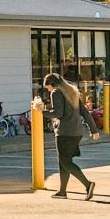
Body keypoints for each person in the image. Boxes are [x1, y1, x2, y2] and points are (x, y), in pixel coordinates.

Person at [40, 72, 94, 200]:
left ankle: (88, 184)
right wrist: (94, 129)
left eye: (47, 87)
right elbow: (84, 112)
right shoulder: (71, 91)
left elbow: (58, 113)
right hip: (76, 132)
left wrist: (42, 111)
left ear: (52, 84)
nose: (48, 90)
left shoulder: (56, 93)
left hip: (65, 132)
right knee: (64, 162)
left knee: (65, 162)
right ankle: (62, 191)